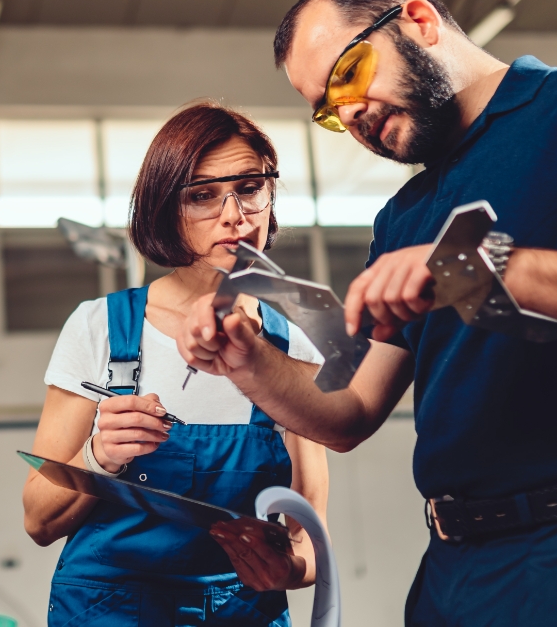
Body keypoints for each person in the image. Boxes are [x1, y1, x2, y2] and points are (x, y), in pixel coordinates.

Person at [178, 0, 557, 626]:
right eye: (329, 112)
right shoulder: (403, 218)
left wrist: (495, 263)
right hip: (455, 568)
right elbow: (352, 408)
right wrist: (245, 359)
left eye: (348, 75)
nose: (349, 113)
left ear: (418, 21)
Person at [23, 102, 329, 626]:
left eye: (250, 188)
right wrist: (98, 456)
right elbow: (38, 519)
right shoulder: (100, 328)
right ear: (166, 208)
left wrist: (288, 569)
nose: (233, 215)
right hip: (108, 613)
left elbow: (310, 540)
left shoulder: (295, 349)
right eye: (203, 196)